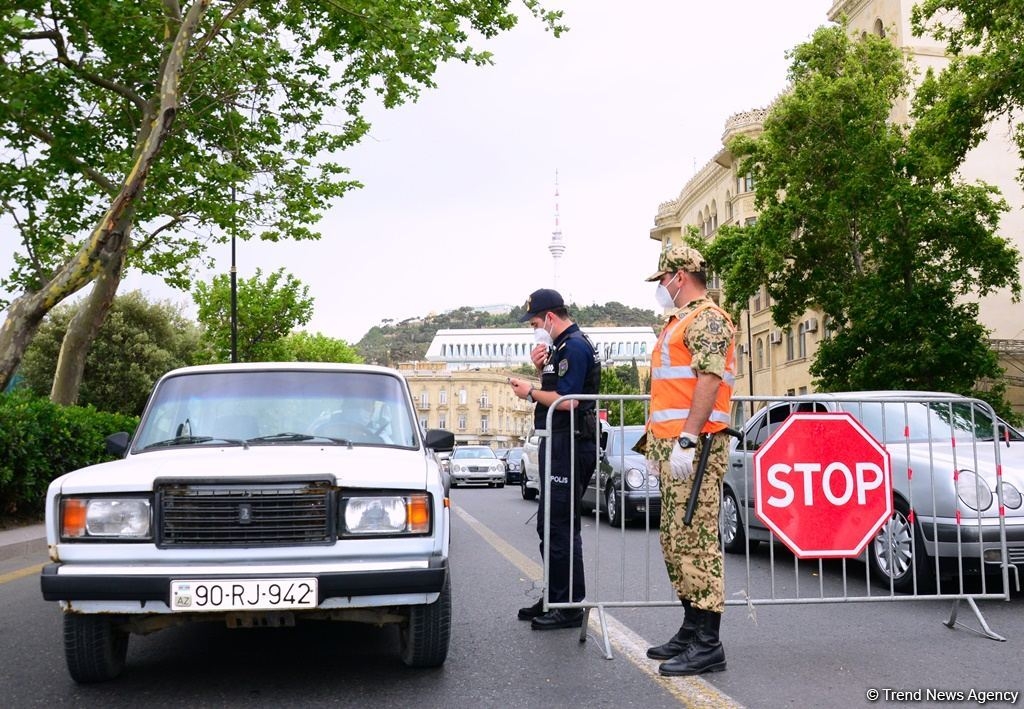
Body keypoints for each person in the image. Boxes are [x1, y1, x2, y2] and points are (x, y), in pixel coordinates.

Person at [641, 243, 736, 676]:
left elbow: (709, 380)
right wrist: (655, 445)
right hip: (671, 446)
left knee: (697, 541)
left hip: (697, 447)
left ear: (679, 276)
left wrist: (687, 440)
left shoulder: (708, 319)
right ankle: (691, 627)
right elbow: (668, 390)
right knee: (675, 541)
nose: (661, 287)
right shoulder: (678, 323)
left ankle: (708, 642)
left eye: (662, 279)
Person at [508, 288, 601, 630]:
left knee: (561, 524)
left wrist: (529, 391)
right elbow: (557, 389)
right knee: (550, 524)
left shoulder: (574, 346)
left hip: (571, 443)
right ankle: (555, 595)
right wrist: (541, 370)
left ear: (550, 317)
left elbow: (569, 400)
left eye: (535, 322)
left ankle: (568, 605)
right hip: (559, 441)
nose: (534, 328)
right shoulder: (558, 349)